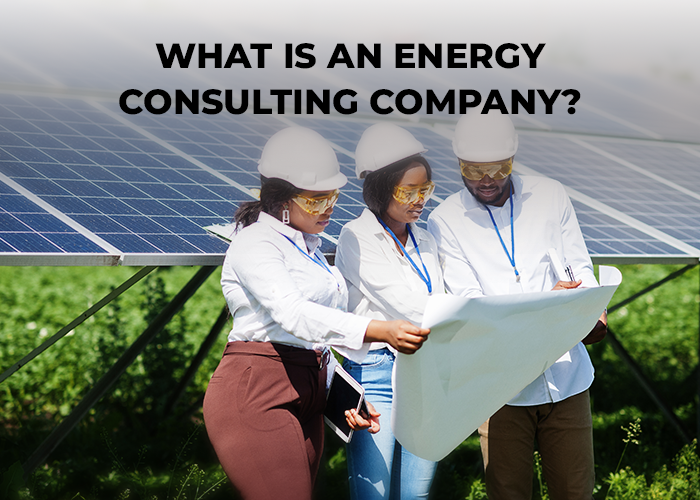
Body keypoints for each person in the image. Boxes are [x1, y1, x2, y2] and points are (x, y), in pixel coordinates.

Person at [202, 126, 431, 500]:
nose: (328, 208)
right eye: (315, 200)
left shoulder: (310, 247)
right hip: (257, 390)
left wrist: (344, 397)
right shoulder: (255, 244)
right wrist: (378, 329)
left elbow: (314, 341)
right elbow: (294, 316)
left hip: (310, 391)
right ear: (280, 200)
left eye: (332, 197)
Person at [427, 110, 607, 500]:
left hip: (567, 377)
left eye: (498, 167)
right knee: (508, 493)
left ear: (513, 159)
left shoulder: (550, 195)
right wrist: (549, 308)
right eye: (474, 170)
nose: (487, 179)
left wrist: (590, 304)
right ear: (458, 164)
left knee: (576, 491)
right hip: (500, 387)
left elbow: (579, 265)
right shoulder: (444, 221)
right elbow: (473, 308)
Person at [335, 123, 444, 500]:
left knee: (415, 494)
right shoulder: (355, 236)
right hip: (374, 375)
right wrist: (458, 314)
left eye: (424, 190)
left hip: (425, 372)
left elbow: (439, 299)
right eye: (407, 191)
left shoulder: (427, 239)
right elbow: (405, 304)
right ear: (381, 188)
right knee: (375, 494)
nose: (419, 200)